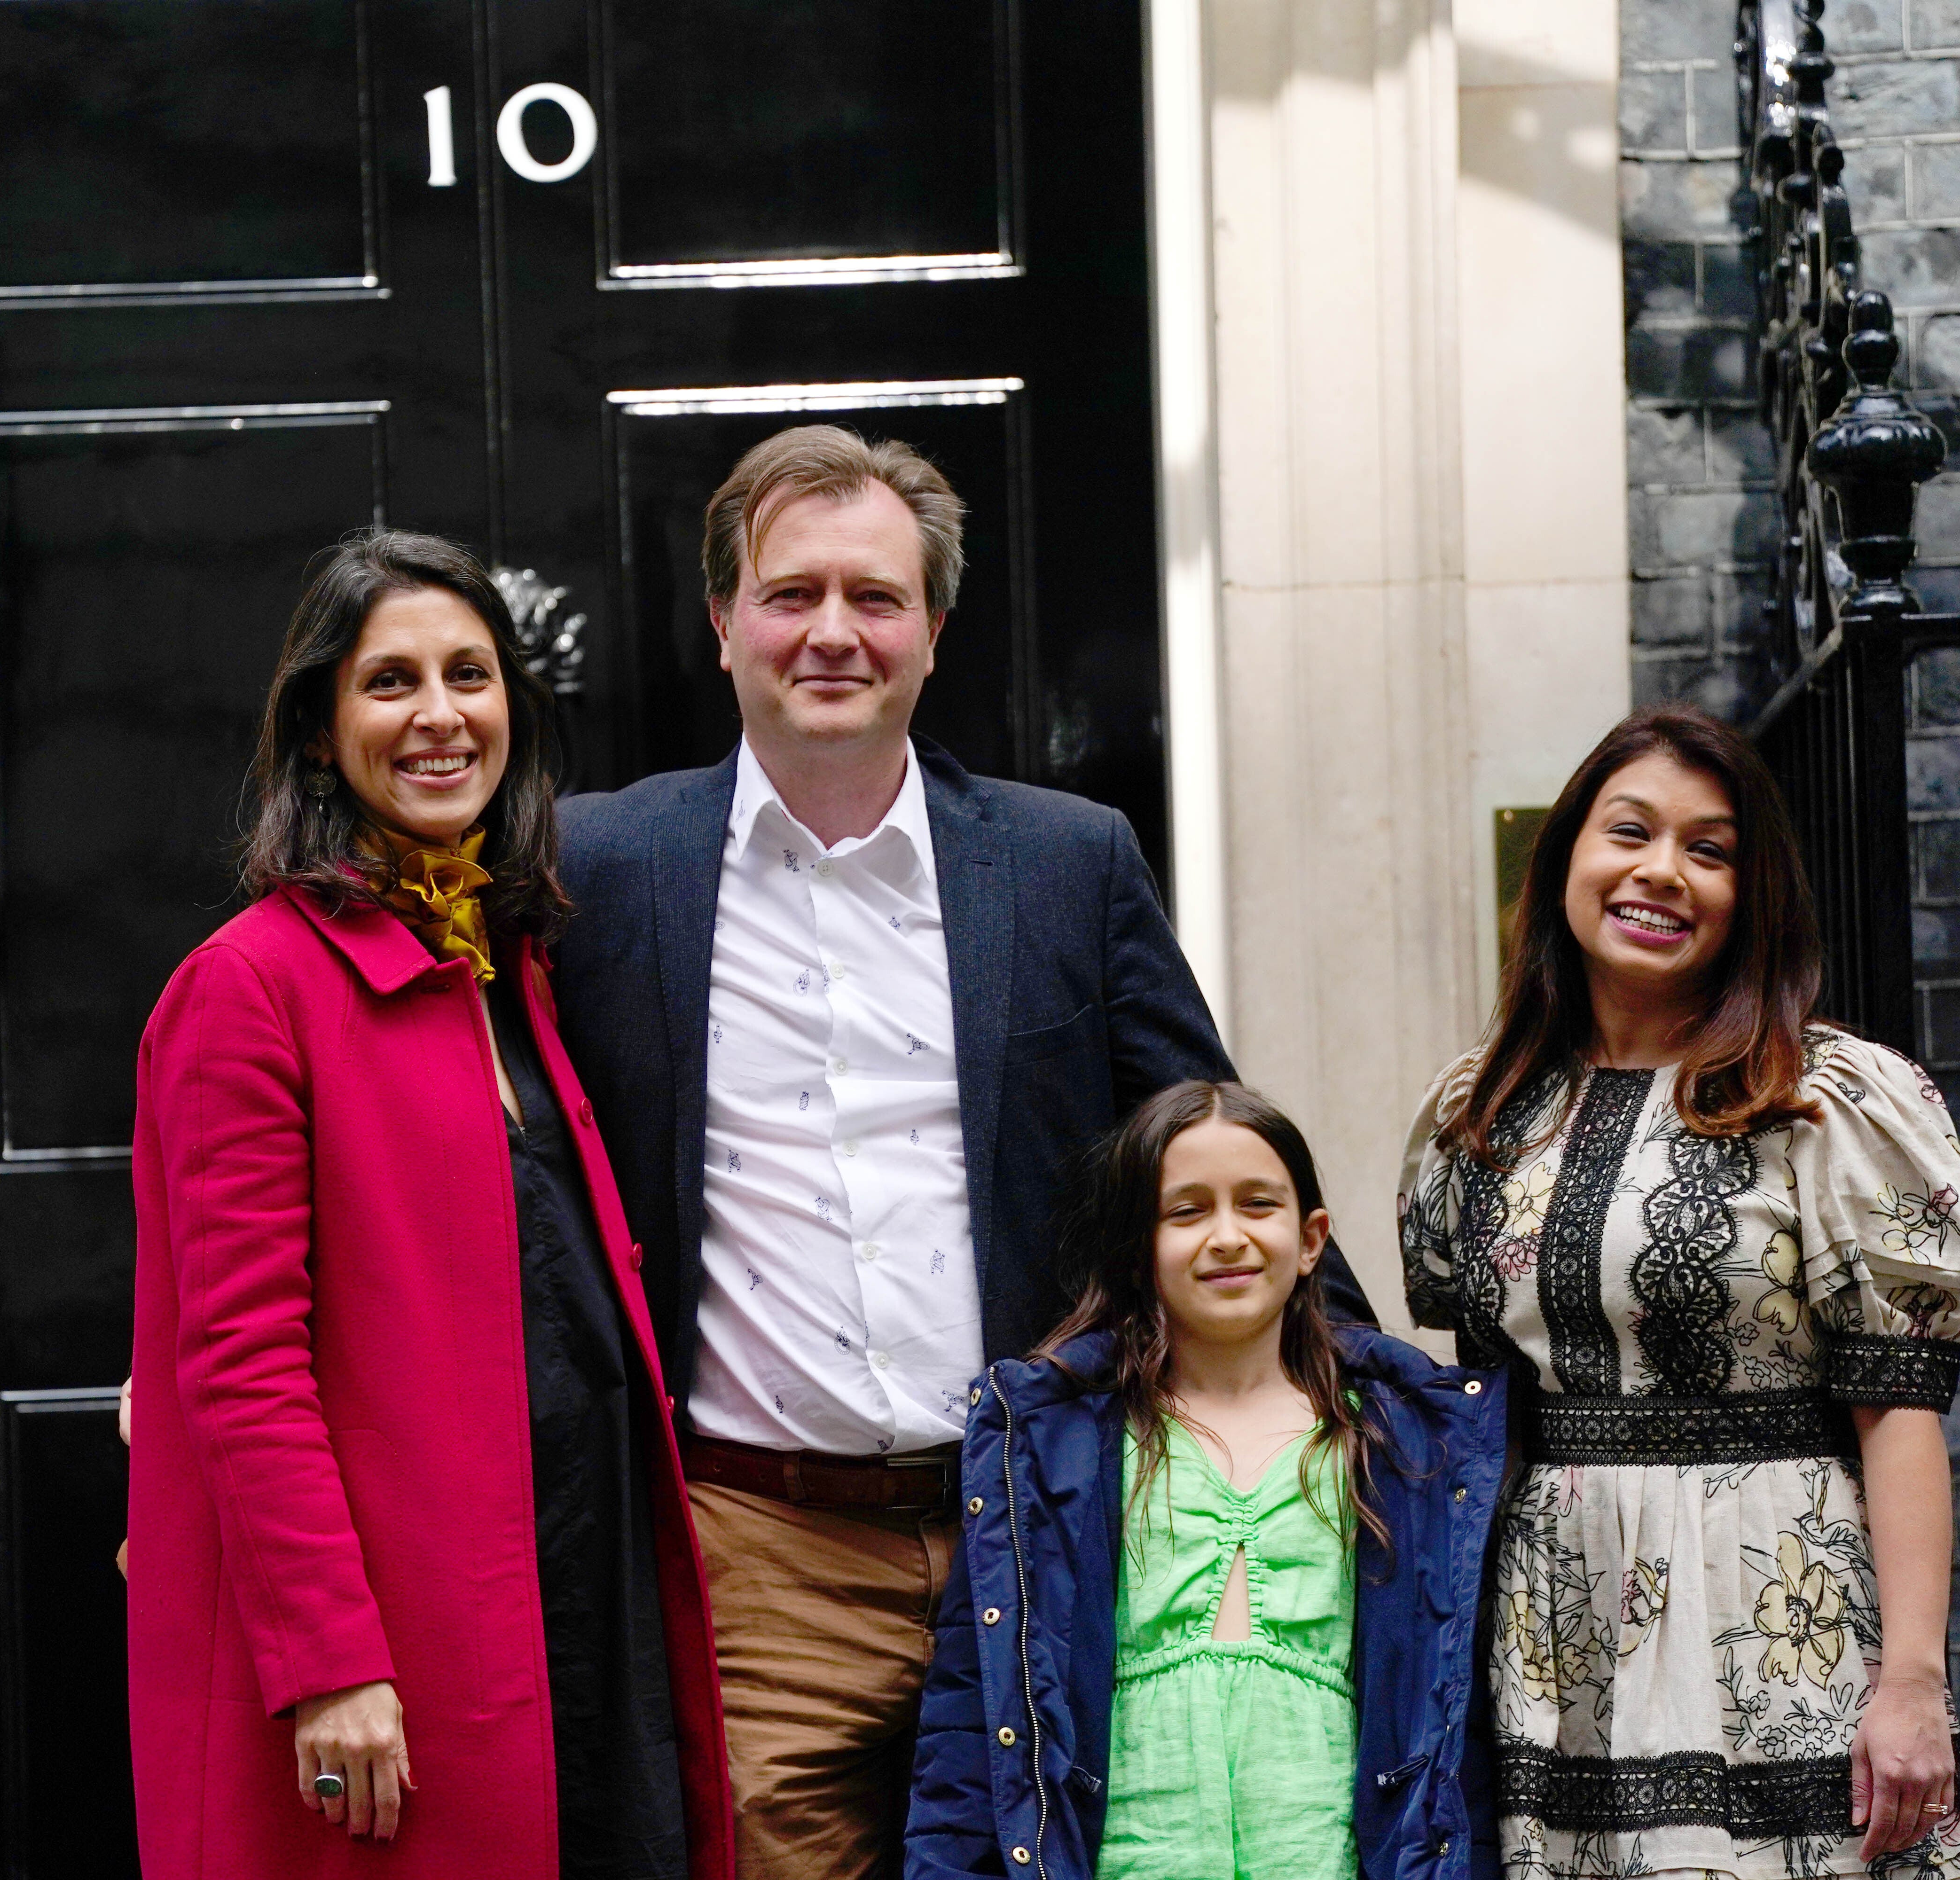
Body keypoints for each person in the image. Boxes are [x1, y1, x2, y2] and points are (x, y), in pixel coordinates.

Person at [548, 423, 1373, 1879]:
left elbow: (1218, 1148)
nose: (831, 633)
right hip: (759, 1553)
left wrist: (1379, 1418)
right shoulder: (599, 870)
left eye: (874, 598)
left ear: (934, 628)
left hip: (1047, 1524)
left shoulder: (1065, 863)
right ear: (723, 621)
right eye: (790, 594)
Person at [122, 530, 732, 1880]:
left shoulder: (510, 964)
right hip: (402, 1647)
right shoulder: (248, 989)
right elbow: (238, 1362)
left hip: (584, 1605)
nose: (441, 715)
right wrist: (330, 1661)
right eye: (390, 683)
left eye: (471, 674)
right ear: (320, 730)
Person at [1399, 705, 1960, 1880]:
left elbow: (1898, 1409)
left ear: (1752, 892)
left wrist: (1913, 1680)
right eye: (1628, 830)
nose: (1660, 871)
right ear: (1568, 855)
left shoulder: (1824, 1096)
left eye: (1710, 848)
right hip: (1550, 1628)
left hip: (1780, 1605)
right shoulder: (1475, 1111)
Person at [903, 1081, 1507, 1880]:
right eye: (1186, 1212)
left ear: (1313, 1238)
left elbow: (1456, 1729)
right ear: (1137, 1245)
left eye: (1258, 1205)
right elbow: (969, 1725)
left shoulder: (1407, 1446)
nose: (1228, 1237)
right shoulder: (1049, 1449)